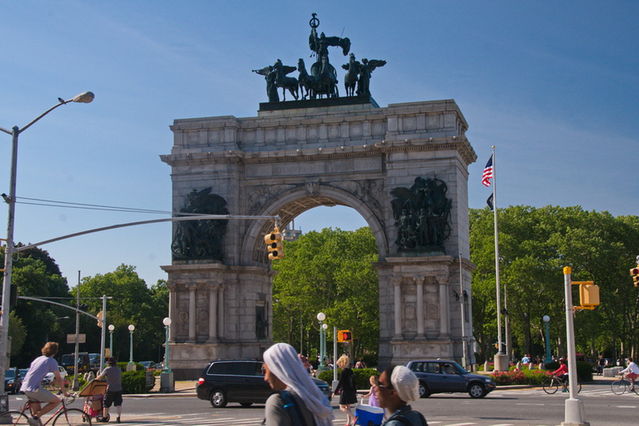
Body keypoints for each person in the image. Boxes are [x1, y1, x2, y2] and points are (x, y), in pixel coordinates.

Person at [262, 342, 333, 426]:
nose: (265, 378)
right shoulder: (314, 399)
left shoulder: (277, 401)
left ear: (277, 369)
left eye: (266, 371)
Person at [20, 342, 69, 426]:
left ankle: (35, 418)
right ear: (55, 351)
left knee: (37, 419)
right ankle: (34, 418)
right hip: (34, 388)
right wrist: (64, 392)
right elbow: (59, 378)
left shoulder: (38, 359)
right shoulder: (51, 361)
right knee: (57, 401)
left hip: (25, 387)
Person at [95, 357, 123, 423]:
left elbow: (100, 377)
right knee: (118, 404)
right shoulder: (119, 369)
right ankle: (118, 417)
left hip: (110, 389)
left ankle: (104, 417)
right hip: (119, 389)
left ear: (108, 363)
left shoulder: (107, 369)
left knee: (106, 404)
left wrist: (95, 379)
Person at [335, 354, 358, 426]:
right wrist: (355, 391)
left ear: (342, 363)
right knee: (348, 407)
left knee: (341, 407)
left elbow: (340, 382)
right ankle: (349, 423)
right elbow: (354, 382)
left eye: (339, 364)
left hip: (345, 391)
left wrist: (335, 391)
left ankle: (354, 417)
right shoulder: (350, 371)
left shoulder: (343, 371)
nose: (339, 366)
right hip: (351, 391)